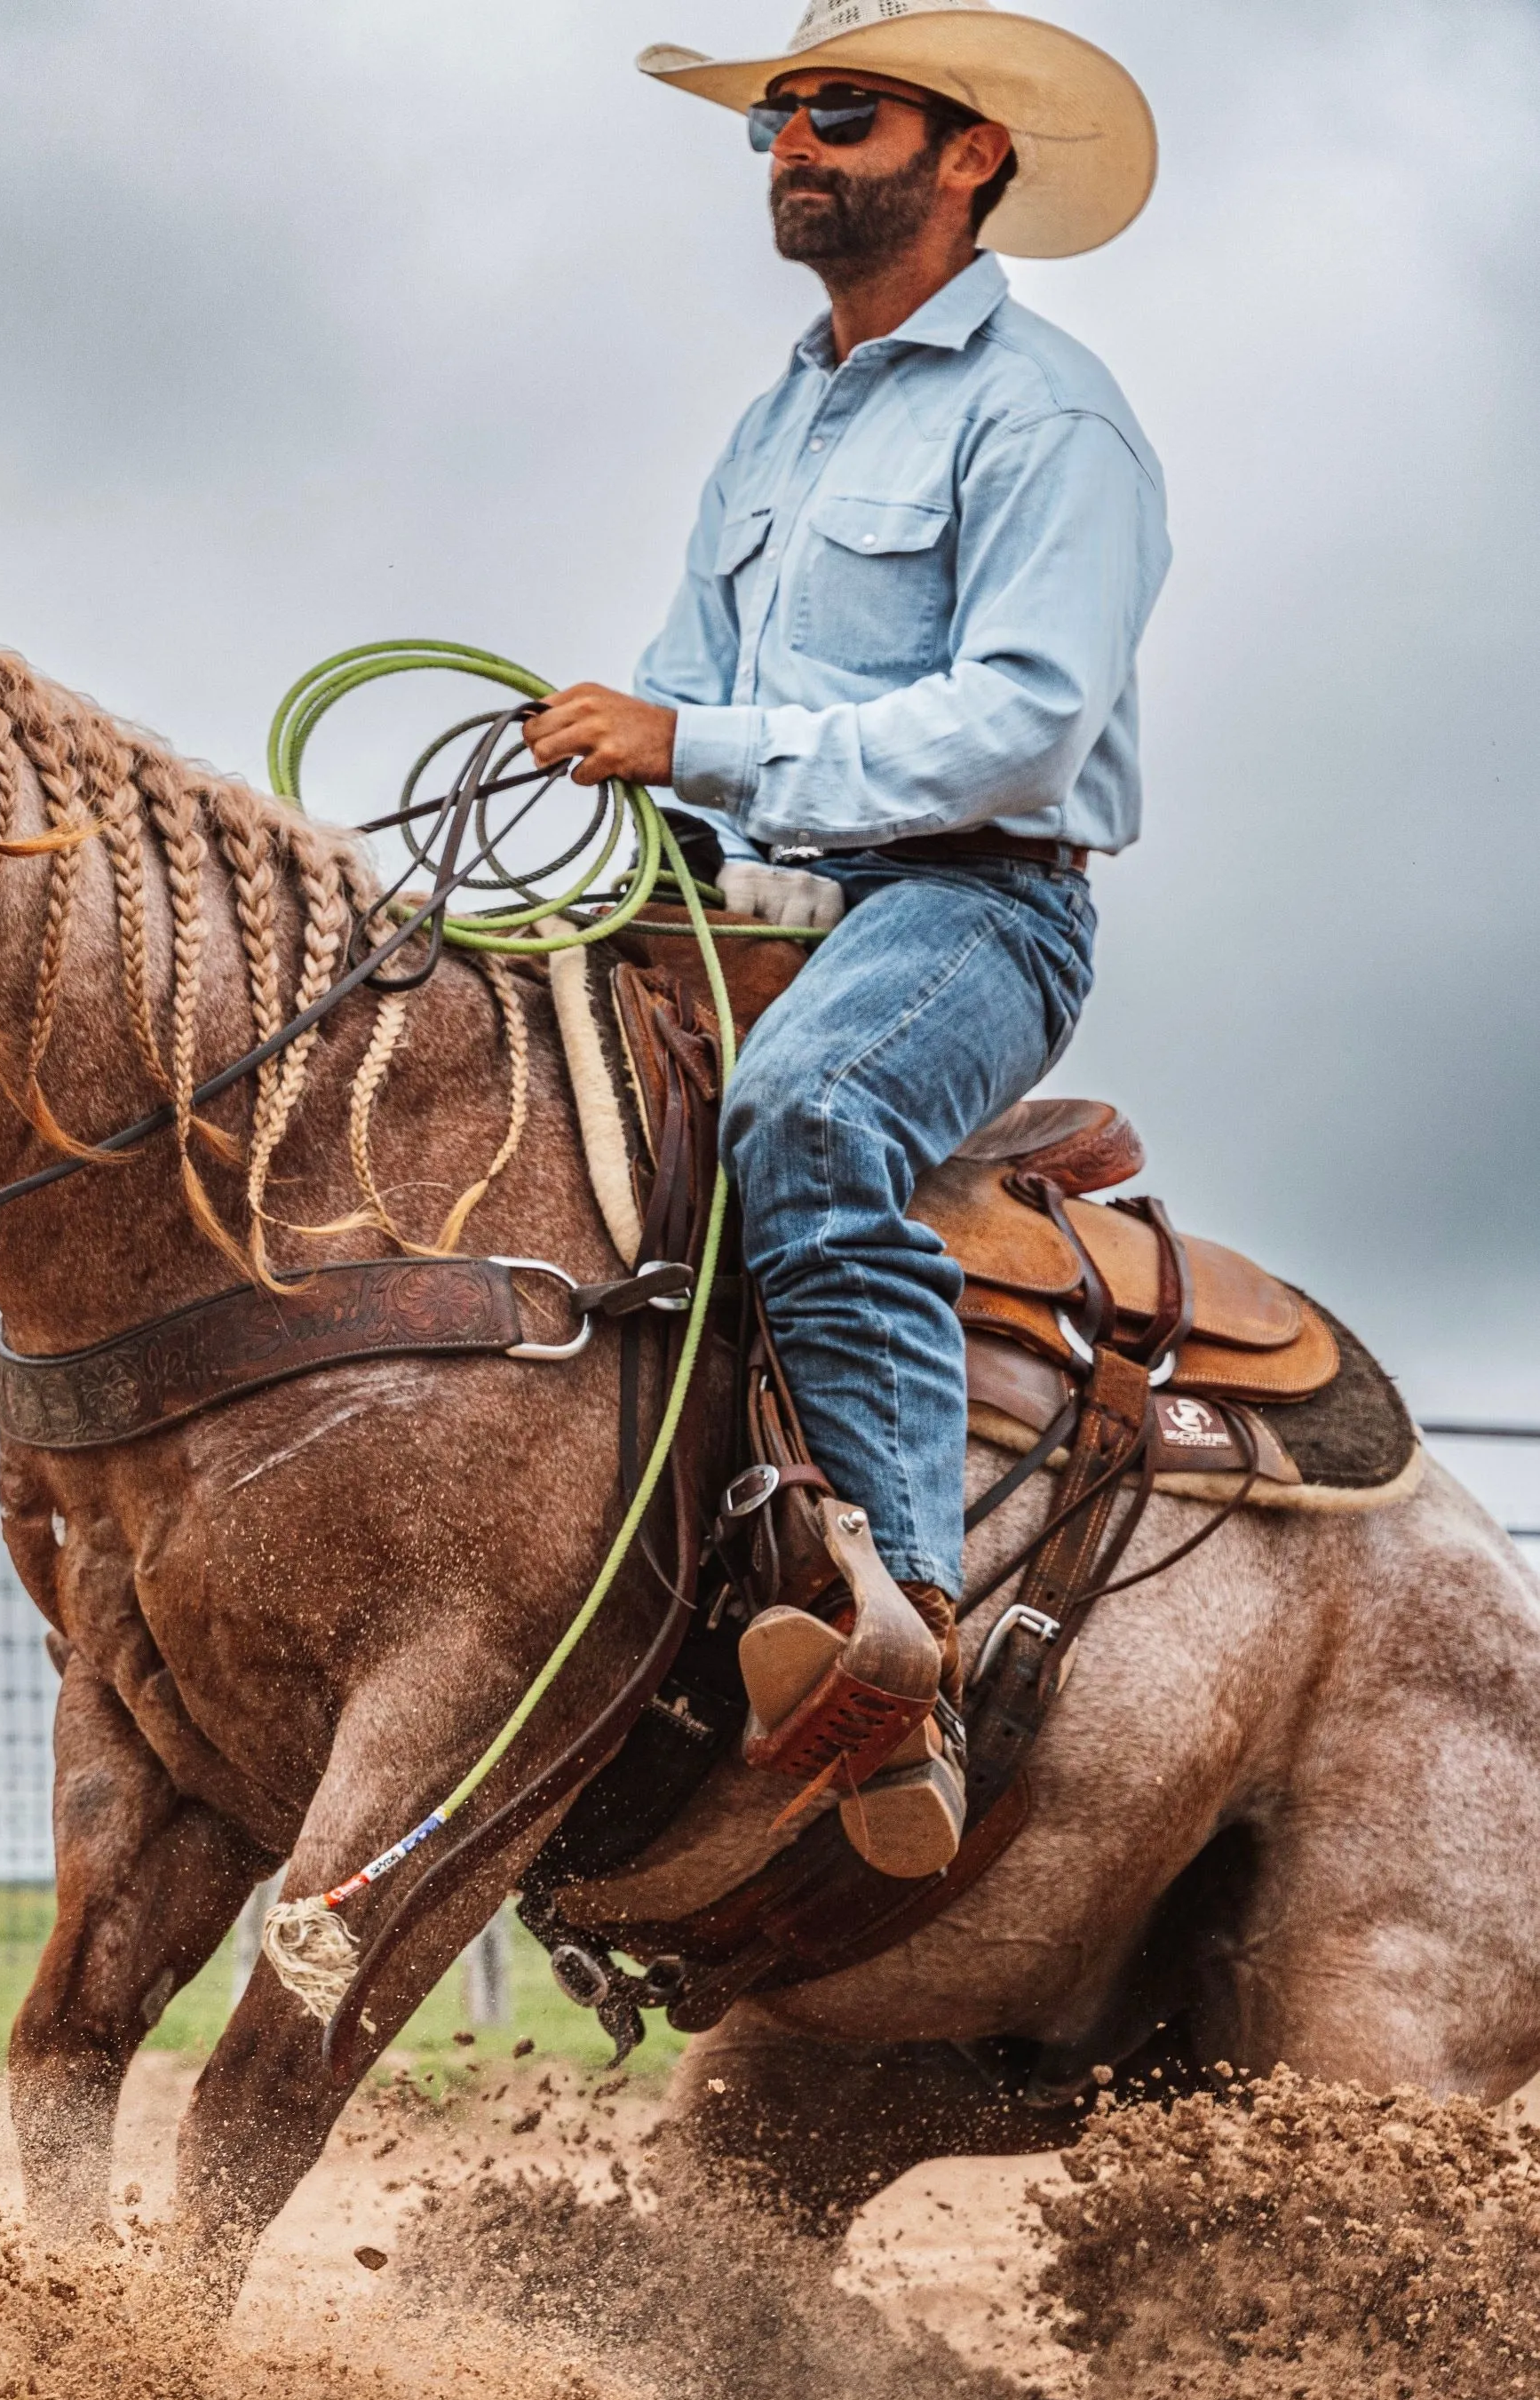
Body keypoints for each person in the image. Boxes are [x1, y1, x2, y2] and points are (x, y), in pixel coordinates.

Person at [523, 0, 1170, 1874]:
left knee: (807, 1117)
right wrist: (639, 781)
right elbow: (685, 684)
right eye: (778, 119)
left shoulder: (1045, 415)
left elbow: (1026, 720)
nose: (795, 144)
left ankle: (902, 1646)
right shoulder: (776, 421)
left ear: (969, 154)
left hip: (975, 901)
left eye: (840, 111)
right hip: (759, 891)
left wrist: (700, 745)